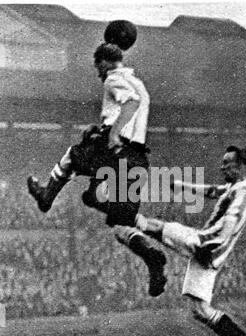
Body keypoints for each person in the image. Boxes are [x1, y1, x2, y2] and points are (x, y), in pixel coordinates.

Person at [27, 22, 167, 298]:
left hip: (116, 154)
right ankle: (152, 257)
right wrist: (102, 128)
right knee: (120, 224)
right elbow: (134, 108)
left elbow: (130, 104)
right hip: (137, 158)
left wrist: (112, 133)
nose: (98, 72)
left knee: (73, 155)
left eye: (98, 66)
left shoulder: (114, 78)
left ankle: (46, 195)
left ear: (105, 62)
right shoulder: (139, 83)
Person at [134, 146, 246, 336]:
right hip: (208, 254)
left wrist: (208, 247)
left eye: (227, 163)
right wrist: (174, 184)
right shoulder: (234, 187)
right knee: (200, 310)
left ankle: (118, 214)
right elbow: (207, 190)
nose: (222, 166)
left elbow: (231, 223)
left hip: (203, 245)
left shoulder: (244, 193)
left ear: (241, 166)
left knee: (153, 226)